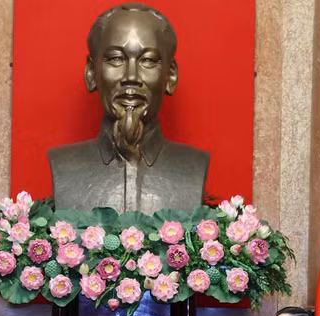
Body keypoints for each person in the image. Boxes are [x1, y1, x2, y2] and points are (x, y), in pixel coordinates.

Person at [49, 2, 209, 214]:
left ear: (170, 76)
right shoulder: (63, 164)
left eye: (148, 61)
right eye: (116, 59)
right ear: (91, 72)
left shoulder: (194, 166)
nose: (131, 77)